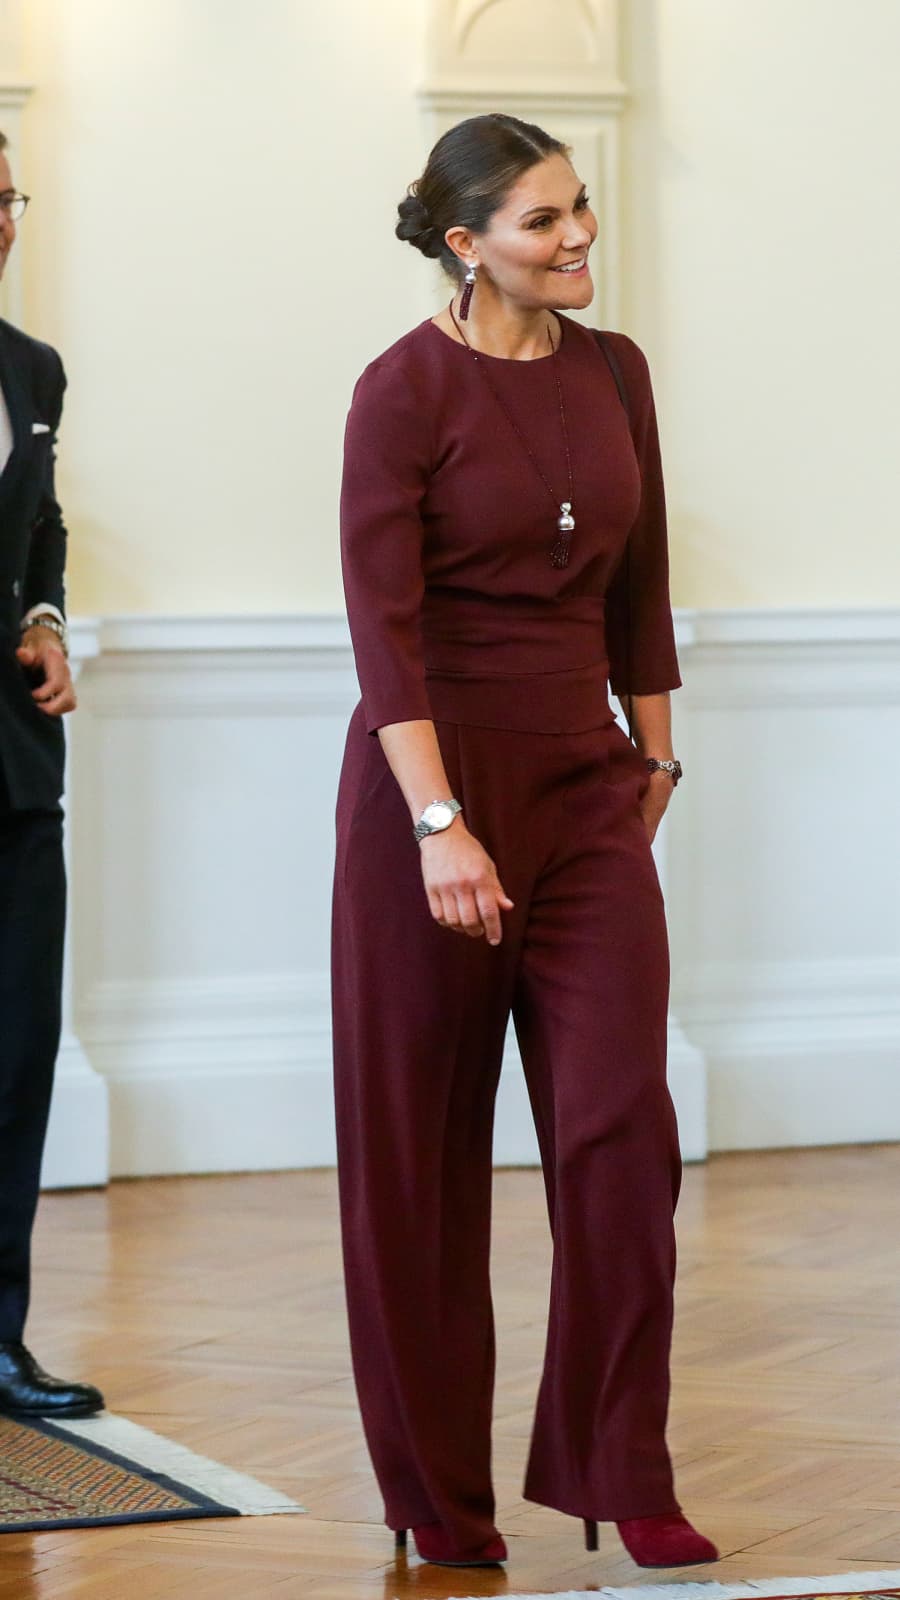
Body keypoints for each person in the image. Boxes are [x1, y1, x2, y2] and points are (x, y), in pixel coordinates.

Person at [331, 113, 716, 1571]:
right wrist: (440, 826)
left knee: (622, 1133)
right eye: (543, 220)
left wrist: (655, 756)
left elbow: (643, 588)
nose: (578, 237)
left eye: (580, 207)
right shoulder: (400, 391)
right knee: (418, 1161)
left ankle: (624, 1467)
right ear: (465, 243)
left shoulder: (618, 373)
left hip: (586, 783)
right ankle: (441, 1498)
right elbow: (386, 635)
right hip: (430, 792)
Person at [0, 131, 103, 1419]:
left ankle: (1, 1340)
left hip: (17, 773)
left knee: (16, 1059)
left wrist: (43, 620)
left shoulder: (33, 369)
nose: (0, 220)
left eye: (5, 196)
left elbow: (43, 528)